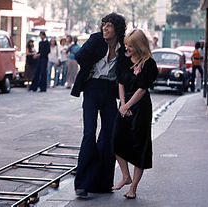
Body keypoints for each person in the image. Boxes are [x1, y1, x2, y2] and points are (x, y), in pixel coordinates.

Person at [71, 12, 132, 197]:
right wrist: (89, 68)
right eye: (103, 24)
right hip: (92, 88)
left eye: (109, 25)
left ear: (117, 29)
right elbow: (80, 55)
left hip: (109, 91)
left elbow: (126, 68)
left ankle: (102, 183)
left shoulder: (123, 45)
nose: (105, 28)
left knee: (109, 136)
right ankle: (81, 184)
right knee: (89, 134)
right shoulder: (96, 39)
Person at [112, 29, 158, 199]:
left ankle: (133, 188)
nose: (127, 48)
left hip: (141, 108)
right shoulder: (124, 59)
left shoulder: (149, 64)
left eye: (130, 46)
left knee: (140, 146)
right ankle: (125, 176)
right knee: (116, 141)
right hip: (124, 104)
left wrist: (128, 106)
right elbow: (121, 83)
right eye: (126, 45)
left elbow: (142, 90)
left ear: (139, 46)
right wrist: (123, 105)